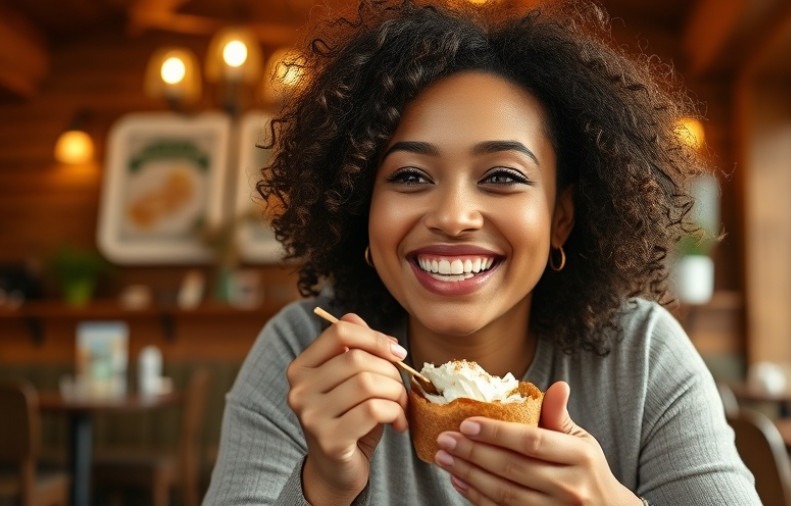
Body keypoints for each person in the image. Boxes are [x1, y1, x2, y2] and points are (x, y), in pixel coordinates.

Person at [204, 0, 761, 504]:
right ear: (362, 212)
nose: (452, 217)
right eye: (410, 175)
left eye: (501, 176)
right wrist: (323, 484)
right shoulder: (303, 350)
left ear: (560, 219)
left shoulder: (641, 357)